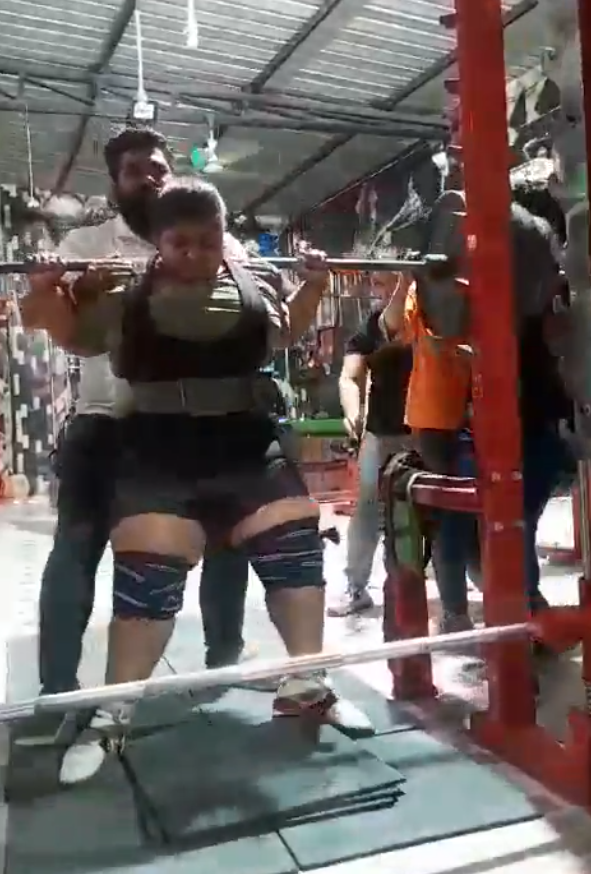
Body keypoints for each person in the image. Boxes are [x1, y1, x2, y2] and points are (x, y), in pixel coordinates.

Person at [32, 177, 373, 784]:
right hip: (158, 446)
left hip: (245, 441)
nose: (194, 254)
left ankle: (306, 683)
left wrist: (316, 284)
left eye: (207, 242)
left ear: (223, 237)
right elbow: (71, 336)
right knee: (149, 574)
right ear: (158, 243)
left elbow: (286, 332)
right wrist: (46, 286)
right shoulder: (124, 292)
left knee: (295, 542)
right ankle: (112, 715)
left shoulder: (253, 284)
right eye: (180, 243)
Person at [21, 127, 254, 699]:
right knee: (77, 545)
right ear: (115, 183)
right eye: (134, 171)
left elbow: (253, 304)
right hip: (108, 418)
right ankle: (59, 689)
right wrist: (65, 289)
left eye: (157, 168)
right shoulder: (87, 245)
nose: (149, 179)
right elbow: (41, 318)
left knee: (227, 540)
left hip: (199, 420)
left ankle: (224, 665)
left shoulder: (218, 240)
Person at [329, 270, 413, 616]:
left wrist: (406, 281)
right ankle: (355, 586)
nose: (378, 290)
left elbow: (398, 320)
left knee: (438, 509)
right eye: (376, 283)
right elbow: (349, 376)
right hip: (383, 431)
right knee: (367, 509)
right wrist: (353, 412)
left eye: (385, 282)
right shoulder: (370, 327)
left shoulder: (424, 314)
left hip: (431, 430)